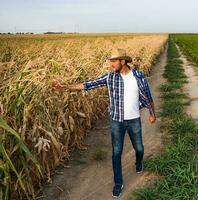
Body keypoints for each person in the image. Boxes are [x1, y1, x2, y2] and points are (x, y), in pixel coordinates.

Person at [52, 48, 156, 198]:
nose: (111, 64)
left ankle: (139, 162)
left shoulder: (138, 77)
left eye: (114, 61)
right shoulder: (110, 77)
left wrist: (152, 113)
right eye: (111, 61)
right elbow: (88, 84)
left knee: (139, 148)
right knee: (116, 153)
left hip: (134, 120)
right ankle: (118, 183)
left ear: (123, 61)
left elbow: (148, 95)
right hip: (116, 121)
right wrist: (64, 87)